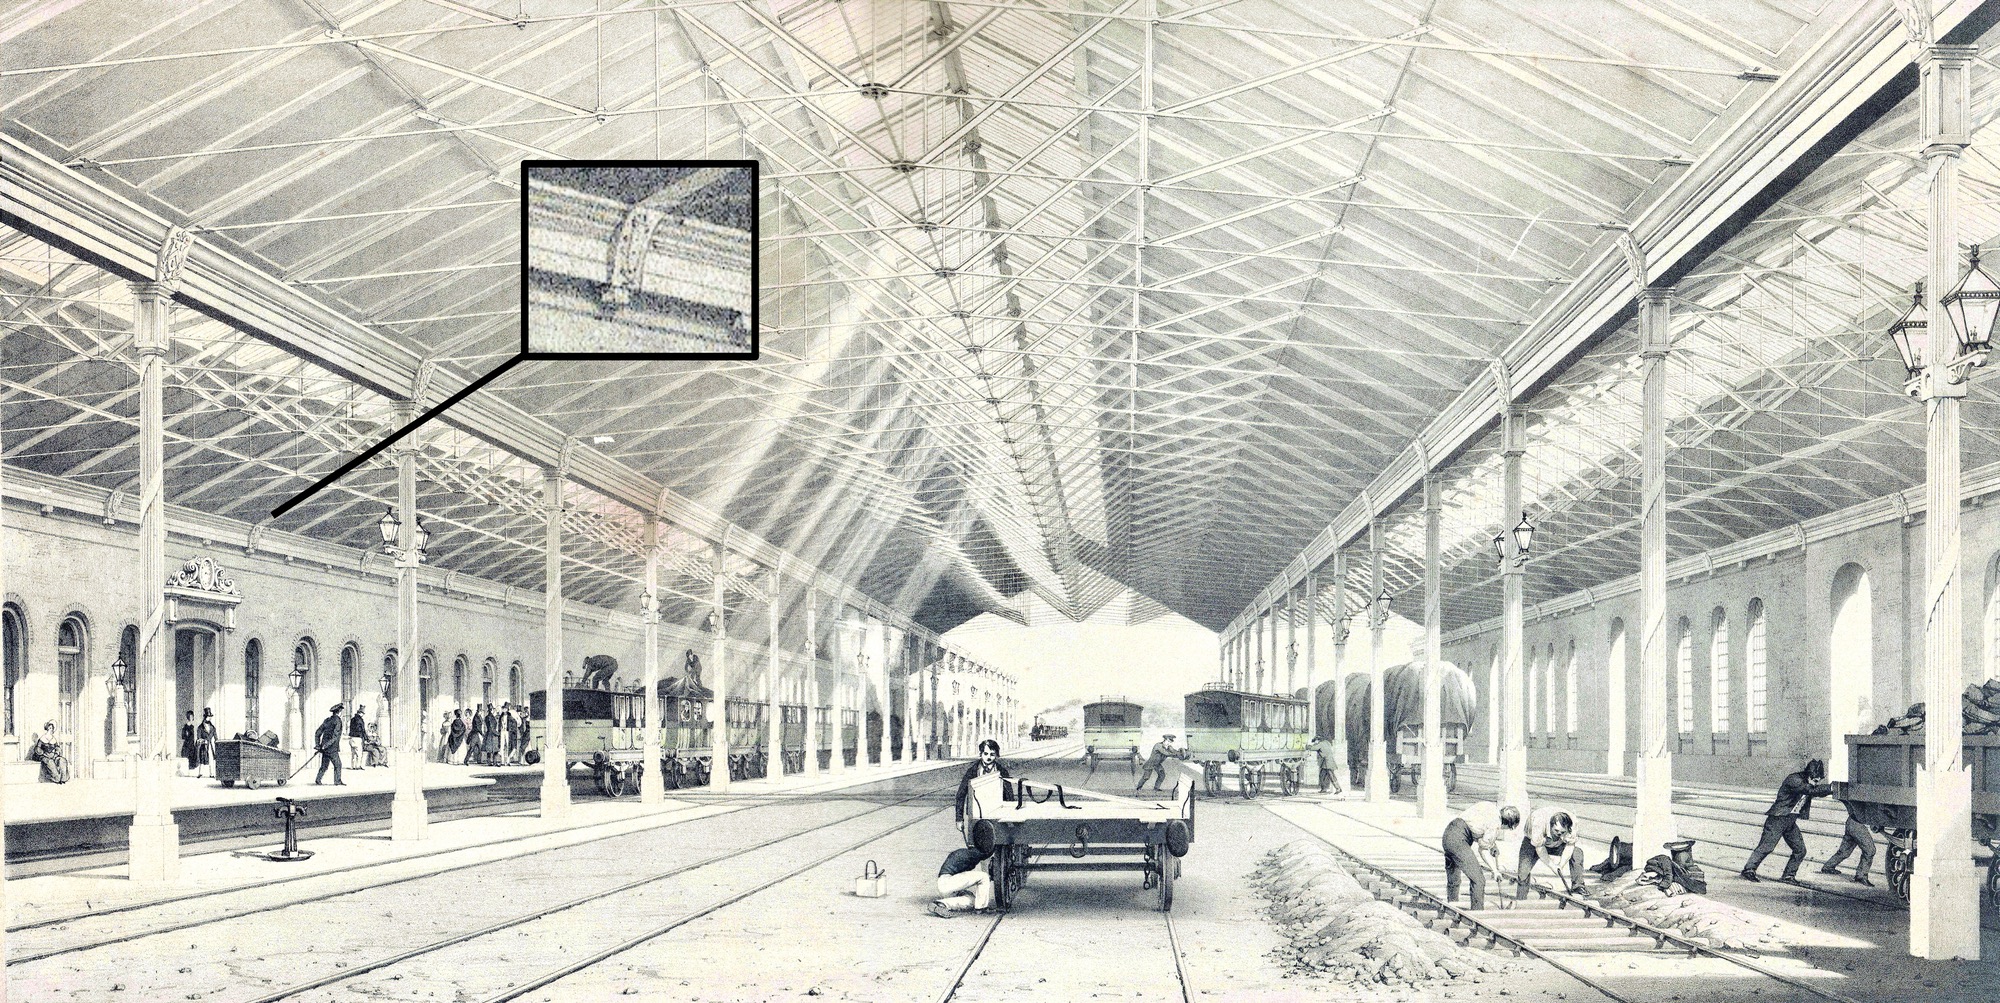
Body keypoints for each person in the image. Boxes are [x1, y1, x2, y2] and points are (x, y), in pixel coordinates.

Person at [1741, 758, 1834, 883]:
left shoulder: (1808, 782)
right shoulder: (1794, 780)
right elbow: (1810, 790)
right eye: (1815, 781)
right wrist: (1831, 787)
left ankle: (1788, 876)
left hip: (1790, 821)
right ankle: (1749, 870)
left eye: (1818, 781)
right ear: (1808, 775)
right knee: (1766, 847)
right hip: (1778, 819)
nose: (1816, 784)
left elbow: (1814, 790)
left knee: (1800, 850)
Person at [1441, 801, 1521, 911]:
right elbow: (1482, 850)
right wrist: (1495, 870)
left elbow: (1478, 829)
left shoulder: (1490, 806)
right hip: (1459, 841)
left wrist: (1492, 845)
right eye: (1508, 828)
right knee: (1479, 880)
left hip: (1448, 834)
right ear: (1508, 823)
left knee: (1454, 879)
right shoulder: (1495, 825)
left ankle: (1452, 907)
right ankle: (1477, 914)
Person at [1819, 781, 1877, 886]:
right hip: (1857, 825)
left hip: (1851, 822)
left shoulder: (1853, 791)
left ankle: (1828, 867)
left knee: (1845, 851)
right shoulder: (1864, 793)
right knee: (1870, 850)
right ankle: (1861, 876)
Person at [1517, 806, 1584, 897]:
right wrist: (1553, 867)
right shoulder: (1538, 822)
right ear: (1551, 825)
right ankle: (1521, 897)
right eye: (1556, 831)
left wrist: (1560, 865)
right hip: (1533, 843)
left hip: (1558, 844)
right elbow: (1539, 848)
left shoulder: (1573, 822)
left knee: (1577, 853)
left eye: (1562, 832)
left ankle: (1578, 887)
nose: (1559, 834)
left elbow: (1570, 845)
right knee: (1523, 870)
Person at [955, 739, 1012, 823]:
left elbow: (1009, 794)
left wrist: (1009, 816)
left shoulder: (1002, 771)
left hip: (997, 812)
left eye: (992, 754)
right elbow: (961, 794)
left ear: (996, 755)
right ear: (981, 754)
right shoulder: (972, 771)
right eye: (985, 754)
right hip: (976, 813)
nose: (988, 757)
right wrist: (959, 819)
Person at [931, 843, 994, 917]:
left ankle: (941, 904)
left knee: (971, 900)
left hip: (946, 886)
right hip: (947, 881)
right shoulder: (968, 855)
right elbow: (982, 856)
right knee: (984, 876)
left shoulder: (961, 853)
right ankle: (981, 908)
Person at [313, 703, 347, 785]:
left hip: (324, 748)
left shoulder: (327, 720)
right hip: (332, 748)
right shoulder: (338, 721)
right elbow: (335, 737)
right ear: (339, 711)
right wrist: (326, 745)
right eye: (341, 711)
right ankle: (337, 781)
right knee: (338, 765)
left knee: (324, 765)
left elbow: (317, 732)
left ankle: (318, 779)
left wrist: (318, 745)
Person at [195, 708, 218, 779]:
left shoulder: (212, 727)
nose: (210, 718)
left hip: (210, 746)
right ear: (205, 717)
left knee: (211, 759)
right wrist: (203, 741)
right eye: (209, 717)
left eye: (210, 717)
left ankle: (212, 774)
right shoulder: (200, 727)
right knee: (202, 759)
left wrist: (217, 742)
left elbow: (216, 737)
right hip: (203, 746)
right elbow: (198, 738)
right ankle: (200, 773)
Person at [347, 704, 369, 770]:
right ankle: (358, 766)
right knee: (359, 753)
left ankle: (353, 766)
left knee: (353, 753)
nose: (363, 715)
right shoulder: (360, 720)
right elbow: (363, 730)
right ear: (361, 713)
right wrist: (366, 738)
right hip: (357, 738)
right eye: (363, 713)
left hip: (351, 738)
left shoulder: (352, 719)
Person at [179, 709, 199, 776]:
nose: (192, 718)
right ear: (188, 717)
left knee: (192, 759)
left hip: (192, 744)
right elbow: (183, 736)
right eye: (190, 716)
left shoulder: (193, 727)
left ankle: (190, 773)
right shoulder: (185, 727)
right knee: (186, 758)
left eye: (192, 716)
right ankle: (186, 772)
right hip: (187, 745)